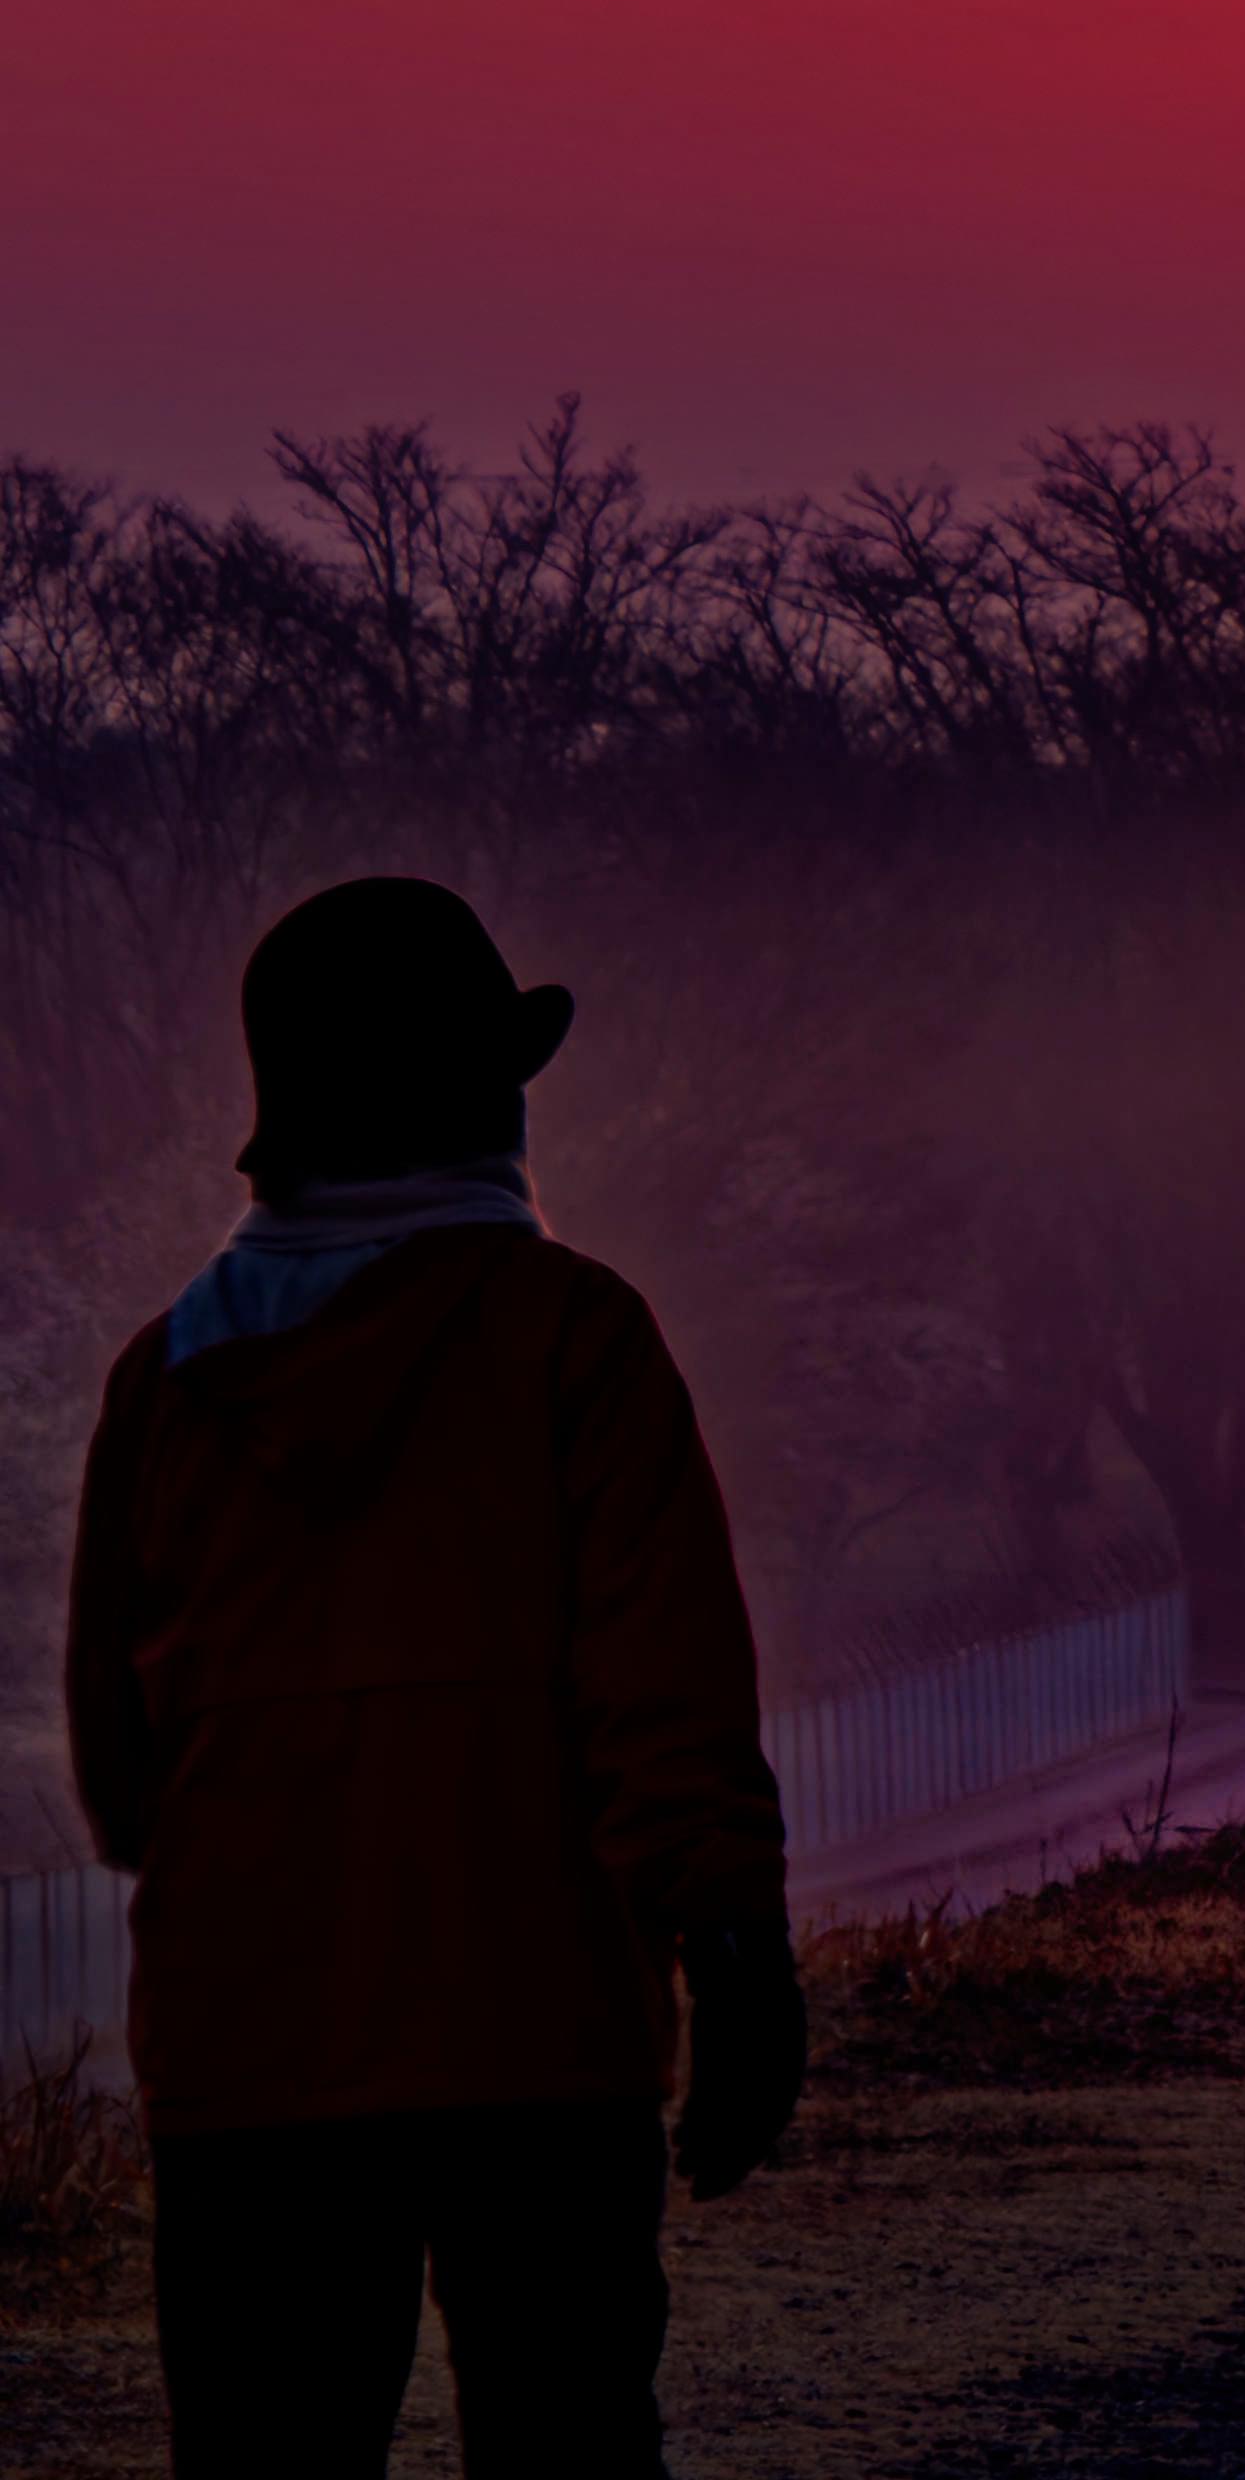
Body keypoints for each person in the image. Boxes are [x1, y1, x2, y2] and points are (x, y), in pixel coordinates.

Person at [64, 876, 802, 2479]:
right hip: (541, 2034)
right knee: (566, 2443)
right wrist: (737, 1948)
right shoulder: (576, 1337)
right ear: (474, 1102)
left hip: (248, 2049)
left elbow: (119, 1778)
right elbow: (666, 1685)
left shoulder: (163, 1379)